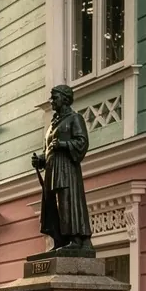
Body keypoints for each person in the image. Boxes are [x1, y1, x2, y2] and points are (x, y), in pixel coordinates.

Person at [32, 84, 93, 254]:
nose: (52, 101)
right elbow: (48, 150)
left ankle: (74, 238)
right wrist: (40, 160)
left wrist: (64, 144)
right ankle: (59, 239)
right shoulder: (52, 125)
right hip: (52, 171)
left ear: (65, 99)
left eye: (55, 97)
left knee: (66, 202)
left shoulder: (75, 119)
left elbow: (82, 142)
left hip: (67, 171)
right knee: (53, 205)